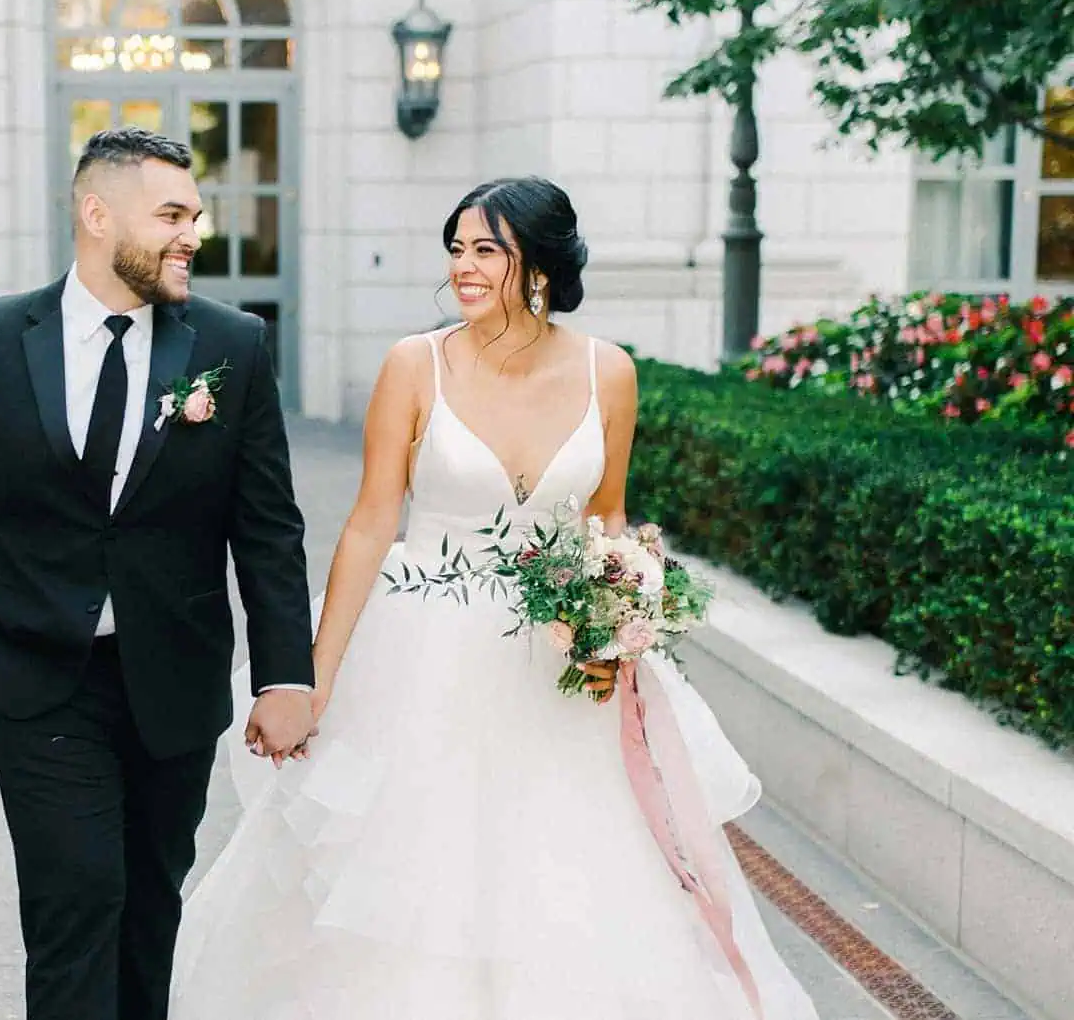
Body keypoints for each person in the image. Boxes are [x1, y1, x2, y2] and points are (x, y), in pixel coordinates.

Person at [170, 176, 822, 1019]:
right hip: (420, 661)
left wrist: (617, 620)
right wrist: (313, 677)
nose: (463, 268)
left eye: (487, 250)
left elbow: (607, 517)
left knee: (565, 880)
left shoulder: (609, 372)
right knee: (413, 885)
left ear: (541, 265)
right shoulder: (416, 364)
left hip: (557, 673)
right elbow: (370, 525)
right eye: (457, 249)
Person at [0, 127, 316, 1020]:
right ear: (97, 215)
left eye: (197, 216)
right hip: (37, 681)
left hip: (174, 679)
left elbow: (268, 528)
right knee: (76, 900)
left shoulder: (231, 345)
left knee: (148, 907)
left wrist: (285, 674)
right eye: (171, 214)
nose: (193, 235)